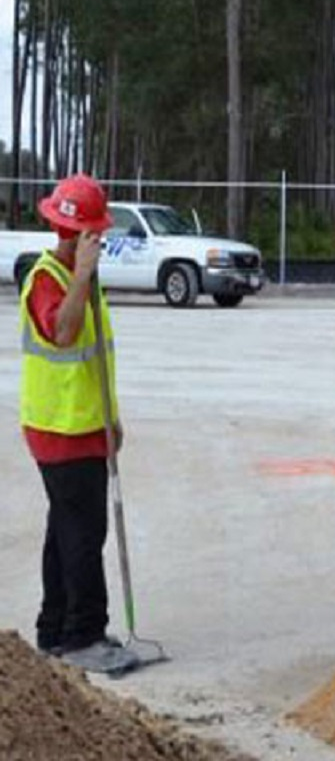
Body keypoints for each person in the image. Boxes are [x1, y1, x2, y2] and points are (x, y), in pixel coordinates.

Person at [19, 173, 137, 673]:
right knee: (83, 534)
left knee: (64, 531)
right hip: (59, 431)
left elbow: (95, 359)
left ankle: (54, 629)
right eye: (94, 234)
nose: (100, 241)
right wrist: (84, 274)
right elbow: (64, 335)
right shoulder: (48, 279)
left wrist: (111, 418)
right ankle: (84, 635)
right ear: (74, 233)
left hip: (86, 426)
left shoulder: (84, 281)